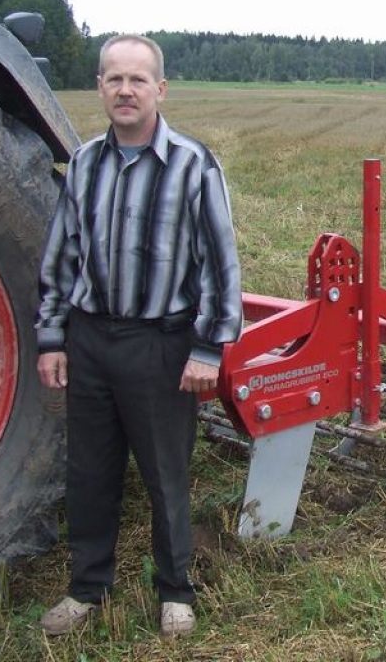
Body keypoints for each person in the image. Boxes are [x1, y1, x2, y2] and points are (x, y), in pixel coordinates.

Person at [35, 34, 242, 638]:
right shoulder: (83, 164)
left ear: (160, 89)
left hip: (160, 345)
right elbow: (61, 259)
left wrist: (207, 349)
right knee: (89, 471)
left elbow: (220, 265)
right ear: (99, 86)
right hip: (90, 341)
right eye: (114, 79)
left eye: (138, 80)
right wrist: (53, 338)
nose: (125, 90)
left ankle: (175, 591)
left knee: (164, 473)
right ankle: (86, 588)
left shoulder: (193, 165)